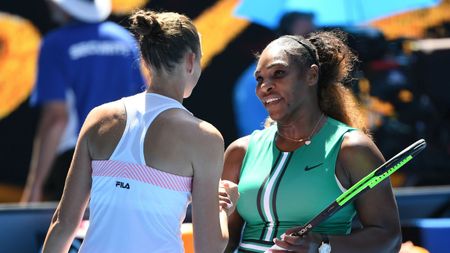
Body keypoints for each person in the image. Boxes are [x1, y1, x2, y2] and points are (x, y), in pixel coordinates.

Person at [42, 9, 232, 253]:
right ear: (191, 60)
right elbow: (211, 247)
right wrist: (222, 209)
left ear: (144, 60)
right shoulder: (205, 138)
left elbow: (63, 224)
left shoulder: (99, 118)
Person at [223, 31, 402, 253]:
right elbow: (226, 241)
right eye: (260, 78)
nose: (264, 87)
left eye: (278, 73)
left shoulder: (352, 148)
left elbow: (389, 238)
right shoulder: (240, 151)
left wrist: (321, 245)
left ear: (312, 75)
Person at [21, 0, 145, 202]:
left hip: (76, 162)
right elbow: (144, 102)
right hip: (126, 160)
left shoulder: (55, 44)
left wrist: (35, 186)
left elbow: (56, 119)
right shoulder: (125, 40)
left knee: (72, 230)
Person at [233, 11, 316, 137]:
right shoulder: (253, 82)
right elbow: (258, 138)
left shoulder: (310, 75)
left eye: (315, 37)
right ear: (285, 39)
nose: (313, 44)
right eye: (306, 36)